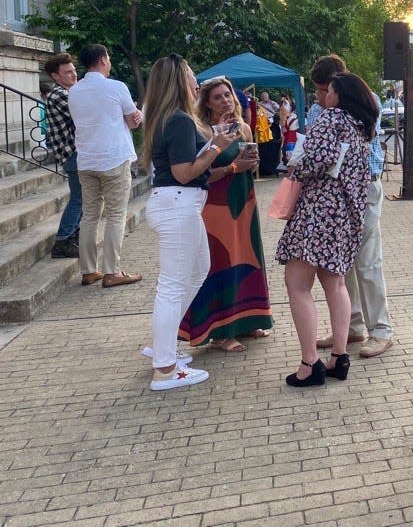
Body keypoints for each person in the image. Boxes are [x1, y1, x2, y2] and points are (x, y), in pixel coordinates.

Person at [141, 54, 239, 390]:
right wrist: (217, 146)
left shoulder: (167, 117)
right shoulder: (179, 119)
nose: (196, 82)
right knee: (171, 286)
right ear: (178, 81)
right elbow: (185, 173)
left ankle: (163, 348)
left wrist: (214, 147)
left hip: (178, 205)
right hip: (177, 205)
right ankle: (165, 368)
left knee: (197, 272)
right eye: (190, 76)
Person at [275, 72, 377, 387]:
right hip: (344, 215)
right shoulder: (360, 128)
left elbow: (315, 158)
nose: (324, 96)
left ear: (340, 95)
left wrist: (294, 166)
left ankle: (310, 363)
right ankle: (339, 356)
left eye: (329, 90)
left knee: (297, 283)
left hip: (317, 211)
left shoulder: (330, 119)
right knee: (335, 283)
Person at [178, 76, 273, 353]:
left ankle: (248, 321)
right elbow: (198, 174)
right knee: (222, 262)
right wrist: (233, 168)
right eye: (218, 97)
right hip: (215, 205)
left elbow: (249, 159)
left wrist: (251, 163)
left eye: (228, 95)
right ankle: (221, 331)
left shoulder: (242, 127)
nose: (225, 100)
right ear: (206, 102)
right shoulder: (202, 131)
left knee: (247, 256)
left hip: (243, 200)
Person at [309, 54, 394, 360]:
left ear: (339, 85)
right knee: (342, 263)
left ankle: (381, 330)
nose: (319, 97)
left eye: (324, 90)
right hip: (338, 194)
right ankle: (352, 324)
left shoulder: (362, 101)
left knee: (367, 261)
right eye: (318, 90)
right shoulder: (325, 109)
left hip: (363, 188)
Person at [67, 44, 144, 288]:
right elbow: (132, 121)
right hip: (113, 158)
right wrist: (138, 117)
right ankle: (112, 270)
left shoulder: (74, 91)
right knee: (115, 215)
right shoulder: (116, 87)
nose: (109, 63)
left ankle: (89, 269)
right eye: (108, 59)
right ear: (102, 60)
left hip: (86, 160)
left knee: (90, 215)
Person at [42, 53, 82, 262]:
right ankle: (63, 239)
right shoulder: (59, 95)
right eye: (68, 72)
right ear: (55, 76)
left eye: (74, 70)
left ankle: (71, 236)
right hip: (71, 153)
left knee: (82, 197)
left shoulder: (67, 92)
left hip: (74, 153)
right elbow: (84, 115)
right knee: (79, 197)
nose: (73, 74)